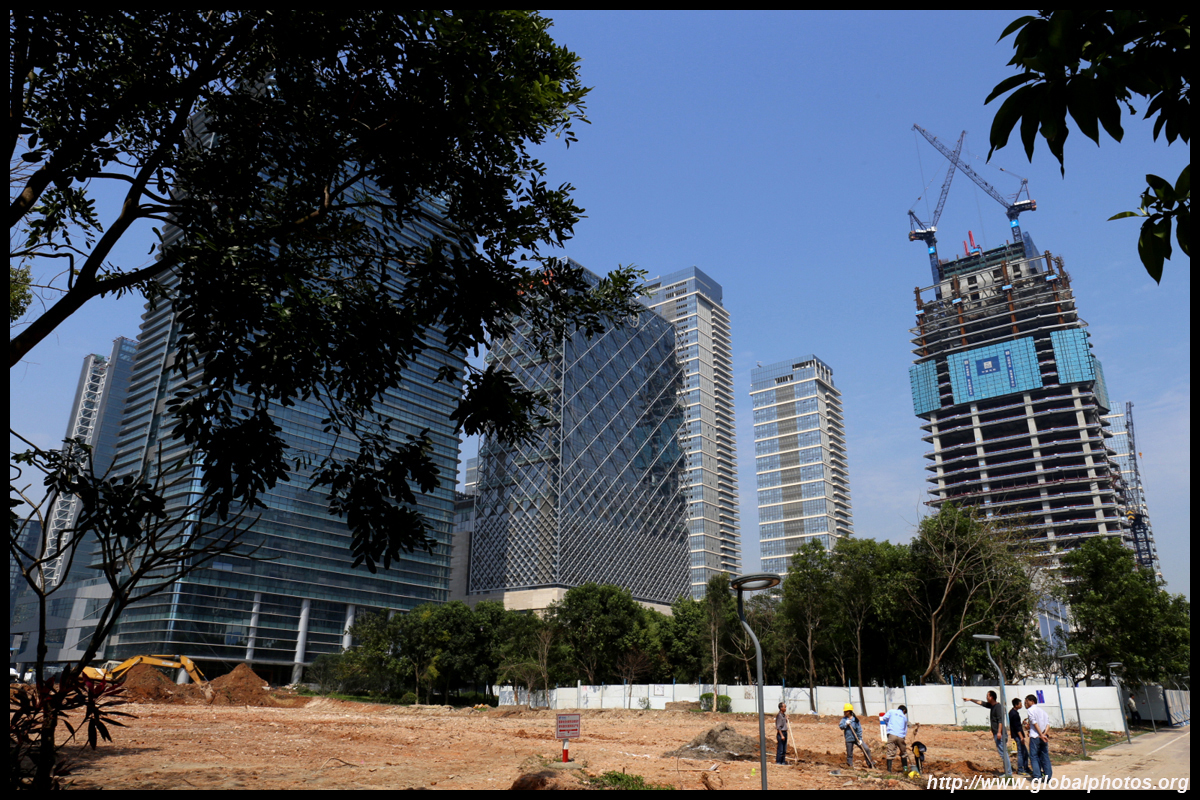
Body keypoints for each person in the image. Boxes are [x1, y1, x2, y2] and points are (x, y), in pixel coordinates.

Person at [965, 691, 1012, 776]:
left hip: (1000, 734)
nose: (986, 697)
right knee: (1002, 753)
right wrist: (970, 699)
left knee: (1003, 753)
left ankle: (1008, 773)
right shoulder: (992, 706)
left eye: (987, 696)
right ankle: (1007, 772)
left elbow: (1000, 721)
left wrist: (999, 732)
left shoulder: (998, 707)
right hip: (997, 733)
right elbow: (981, 703)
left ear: (991, 697)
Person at [1025, 694, 1052, 780]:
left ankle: (1037, 776)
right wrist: (1044, 734)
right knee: (1045, 756)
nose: (1026, 704)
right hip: (1044, 736)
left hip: (1035, 736)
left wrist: (1040, 734)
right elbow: (1048, 725)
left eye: (1027, 701)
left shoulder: (1030, 710)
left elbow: (1035, 723)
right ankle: (1048, 776)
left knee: (1034, 756)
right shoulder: (1043, 711)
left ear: (1032, 701)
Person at [879, 704, 911, 773]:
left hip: (892, 734)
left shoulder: (891, 711)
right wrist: (903, 738)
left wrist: (888, 724)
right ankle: (905, 770)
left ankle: (889, 771)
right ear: (904, 711)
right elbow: (905, 730)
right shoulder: (904, 718)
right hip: (901, 736)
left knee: (890, 753)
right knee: (904, 753)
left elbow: (884, 718)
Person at [1009, 697, 1032, 777]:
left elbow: (1017, 725)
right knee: (1021, 752)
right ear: (1016, 705)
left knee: (1025, 752)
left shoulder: (1012, 712)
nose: (1022, 705)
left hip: (1017, 735)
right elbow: (1017, 727)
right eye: (1020, 704)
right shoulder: (1014, 714)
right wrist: (1021, 737)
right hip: (1018, 736)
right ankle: (1021, 769)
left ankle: (1026, 768)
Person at [839, 703, 865, 768]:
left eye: (845, 711)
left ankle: (869, 762)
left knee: (866, 749)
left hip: (856, 738)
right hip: (849, 738)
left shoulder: (855, 720)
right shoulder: (844, 719)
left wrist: (860, 739)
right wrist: (845, 724)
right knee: (849, 753)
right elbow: (841, 727)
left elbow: (859, 729)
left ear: (849, 712)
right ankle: (850, 765)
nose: (844, 712)